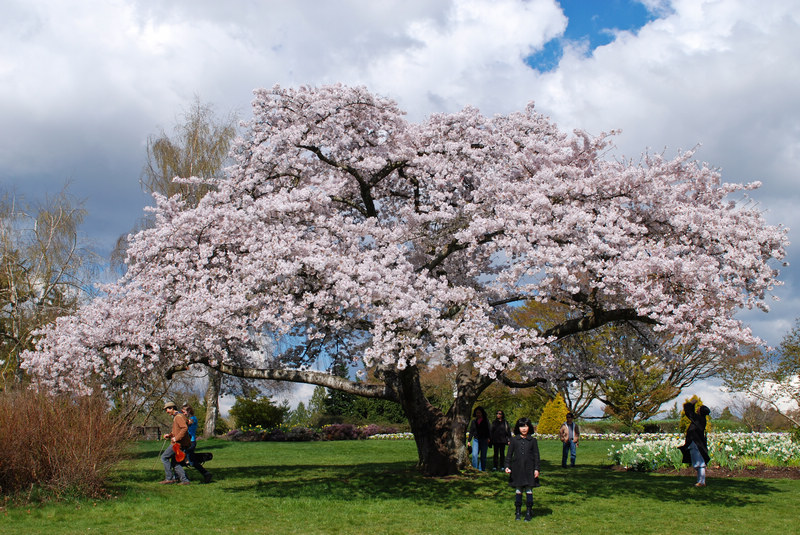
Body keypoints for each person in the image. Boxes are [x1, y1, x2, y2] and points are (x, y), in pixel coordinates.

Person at [504, 417, 540, 522]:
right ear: (518, 428)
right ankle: (518, 511)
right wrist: (507, 466)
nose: (524, 429)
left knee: (529, 490)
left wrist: (536, 469)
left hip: (529, 469)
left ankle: (529, 511)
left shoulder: (533, 441)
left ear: (529, 427)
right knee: (518, 490)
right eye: (521, 426)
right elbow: (509, 455)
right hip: (517, 469)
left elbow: (536, 456)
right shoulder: (514, 440)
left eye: (525, 426)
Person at [678, 400, 711, 487]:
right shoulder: (700, 419)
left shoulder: (699, 420)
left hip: (697, 444)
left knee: (700, 463)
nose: (697, 409)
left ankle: (702, 482)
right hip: (695, 443)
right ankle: (700, 481)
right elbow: (691, 414)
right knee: (698, 463)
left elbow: (689, 413)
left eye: (699, 409)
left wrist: (691, 403)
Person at [160, 401, 191, 485]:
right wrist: (169, 435)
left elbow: (184, 428)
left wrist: (176, 438)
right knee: (175, 463)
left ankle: (169, 478)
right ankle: (185, 480)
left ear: (172, 408)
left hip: (178, 444)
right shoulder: (178, 416)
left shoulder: (178, 417)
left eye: (167, 409)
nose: (166, 411)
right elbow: (177, 430)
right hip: (180, 443)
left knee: (164, 457)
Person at [181, 404, 212, 483]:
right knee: (190, 461)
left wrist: (178, 416)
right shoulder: (189, 418)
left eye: (184, 412)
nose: (183, 414)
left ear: (189, 411)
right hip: (187, 442)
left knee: (188, 460)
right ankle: (205, 473)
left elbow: (188, 423)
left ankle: (205, 473)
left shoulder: (193, 419)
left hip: (191, 442)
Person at [467, 406, 491, 471]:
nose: (478, 414)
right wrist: (469, 441)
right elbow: (471, 431)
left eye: (479, 413)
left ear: (482, 413)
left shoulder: (486, 421)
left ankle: (482, 469)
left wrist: (489, 438)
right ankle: (475, 469)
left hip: (484, 439)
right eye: (477, 413)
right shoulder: (474, 422)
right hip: (476, 440)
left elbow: (489, 430)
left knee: (483, 456)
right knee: (474, 455)